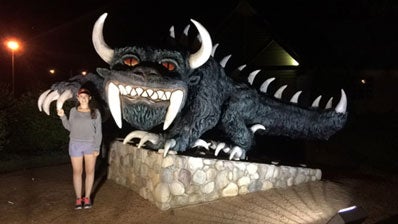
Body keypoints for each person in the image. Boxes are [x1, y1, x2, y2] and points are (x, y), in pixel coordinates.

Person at [57, 87, 102, 210]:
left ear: (89, 98)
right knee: (77, 172)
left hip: (90, 145)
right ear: (77, 98)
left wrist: (97, 147)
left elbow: (98, 132)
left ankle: (86, 198)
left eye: (85, 96)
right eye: (81, 96)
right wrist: (62, 117)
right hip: (75, 144)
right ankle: (78, 198)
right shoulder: (73, 111)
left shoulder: (96, 112)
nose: (83, 98)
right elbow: (69, 127)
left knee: (90, 172)